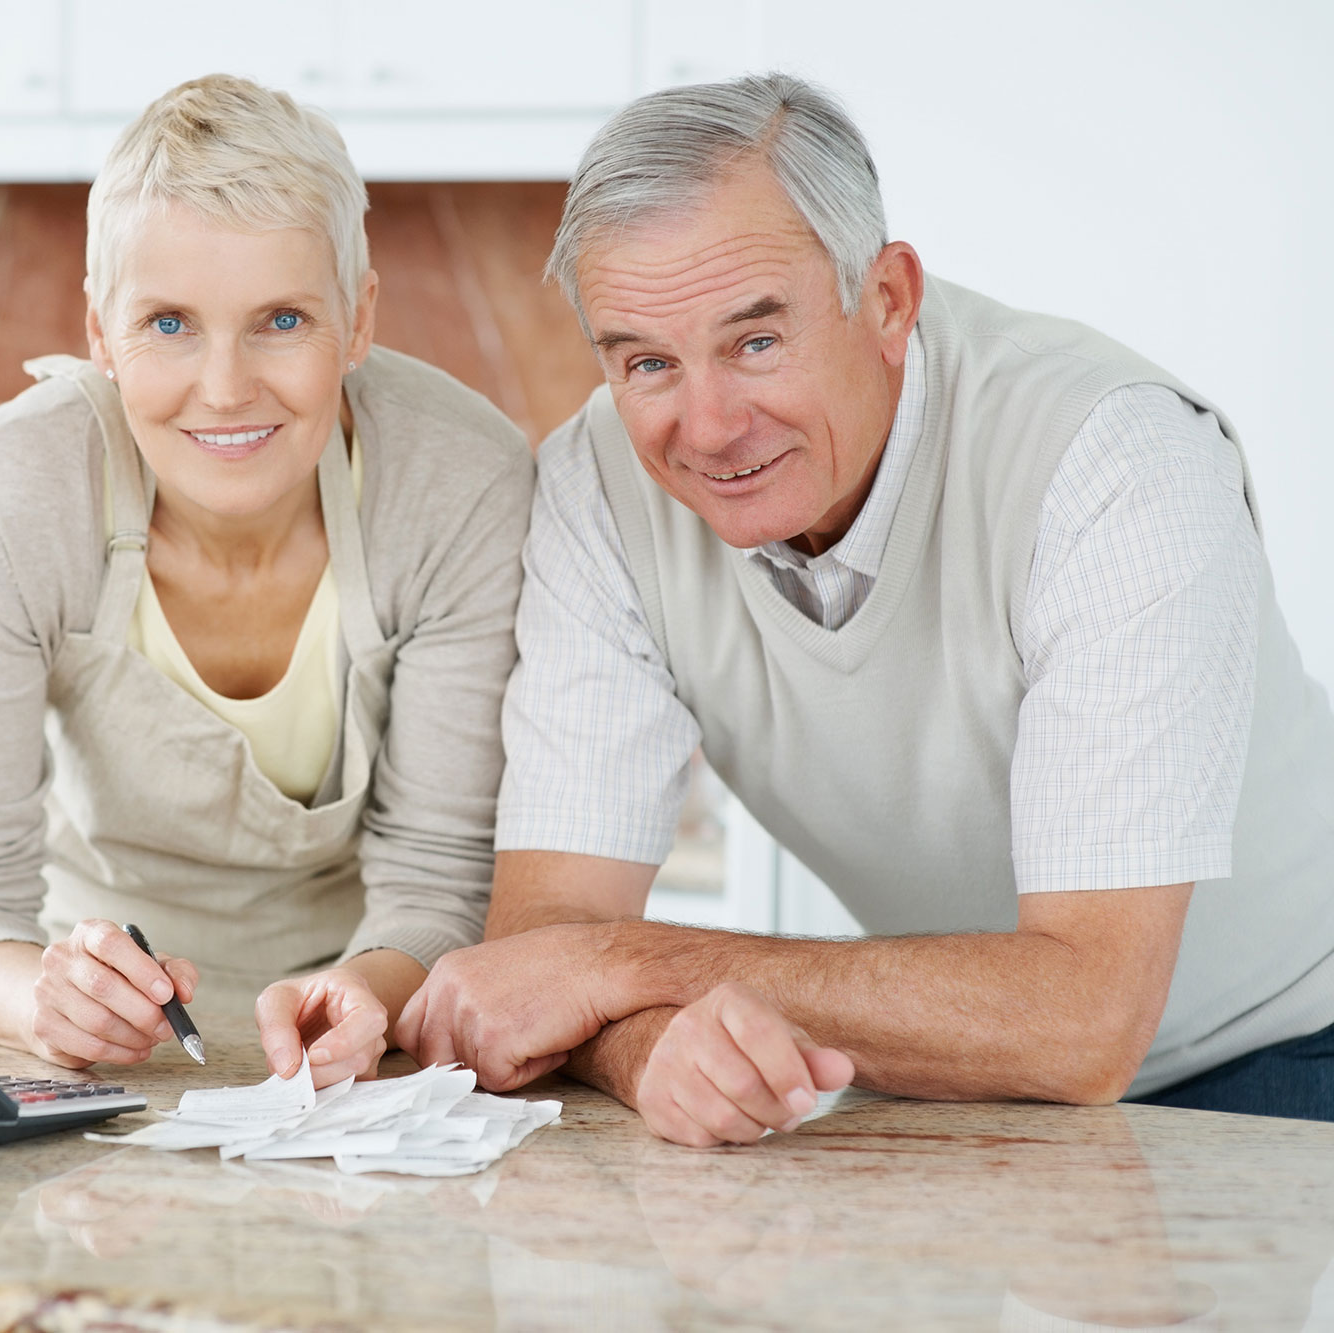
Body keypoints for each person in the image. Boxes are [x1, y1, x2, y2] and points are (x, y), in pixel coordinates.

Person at [397, 73, 1334, 1143]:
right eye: (647, 361)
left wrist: (625, 968)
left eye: (756, 341)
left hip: (1281, 1059)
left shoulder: (1111, 460)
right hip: (957, 1066)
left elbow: (1085, 1018)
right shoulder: (595, 485)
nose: (705, 427)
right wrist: (647, 1044)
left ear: (885, 300)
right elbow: (544, 943)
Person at [0, 75, 533, 1089]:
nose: (225, 388)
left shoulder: (458, 482)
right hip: (89, 1061)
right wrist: (39, 998)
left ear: (356, 322)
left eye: (280, 320)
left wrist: (358, 992)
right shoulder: (10, 492)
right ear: (99, 332)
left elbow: (439, 879)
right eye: (169, 324)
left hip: (371, 1039)